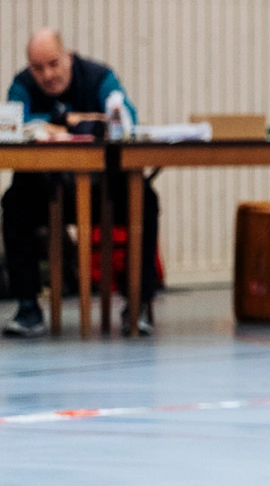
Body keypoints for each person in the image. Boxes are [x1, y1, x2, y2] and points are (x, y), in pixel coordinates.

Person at [2, 29, 158, 337]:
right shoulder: (22, 85)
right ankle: (28, 307)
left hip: (103, 191)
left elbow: (127, 118)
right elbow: (16, 124)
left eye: (53, 64)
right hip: (46, 190)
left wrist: (61, 124)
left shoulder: (99, 77)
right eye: (38, 68)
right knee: (14, 202)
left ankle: (138, 303)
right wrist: (74, 121)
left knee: (146, 200)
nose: (47, 75)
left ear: (68, 57)